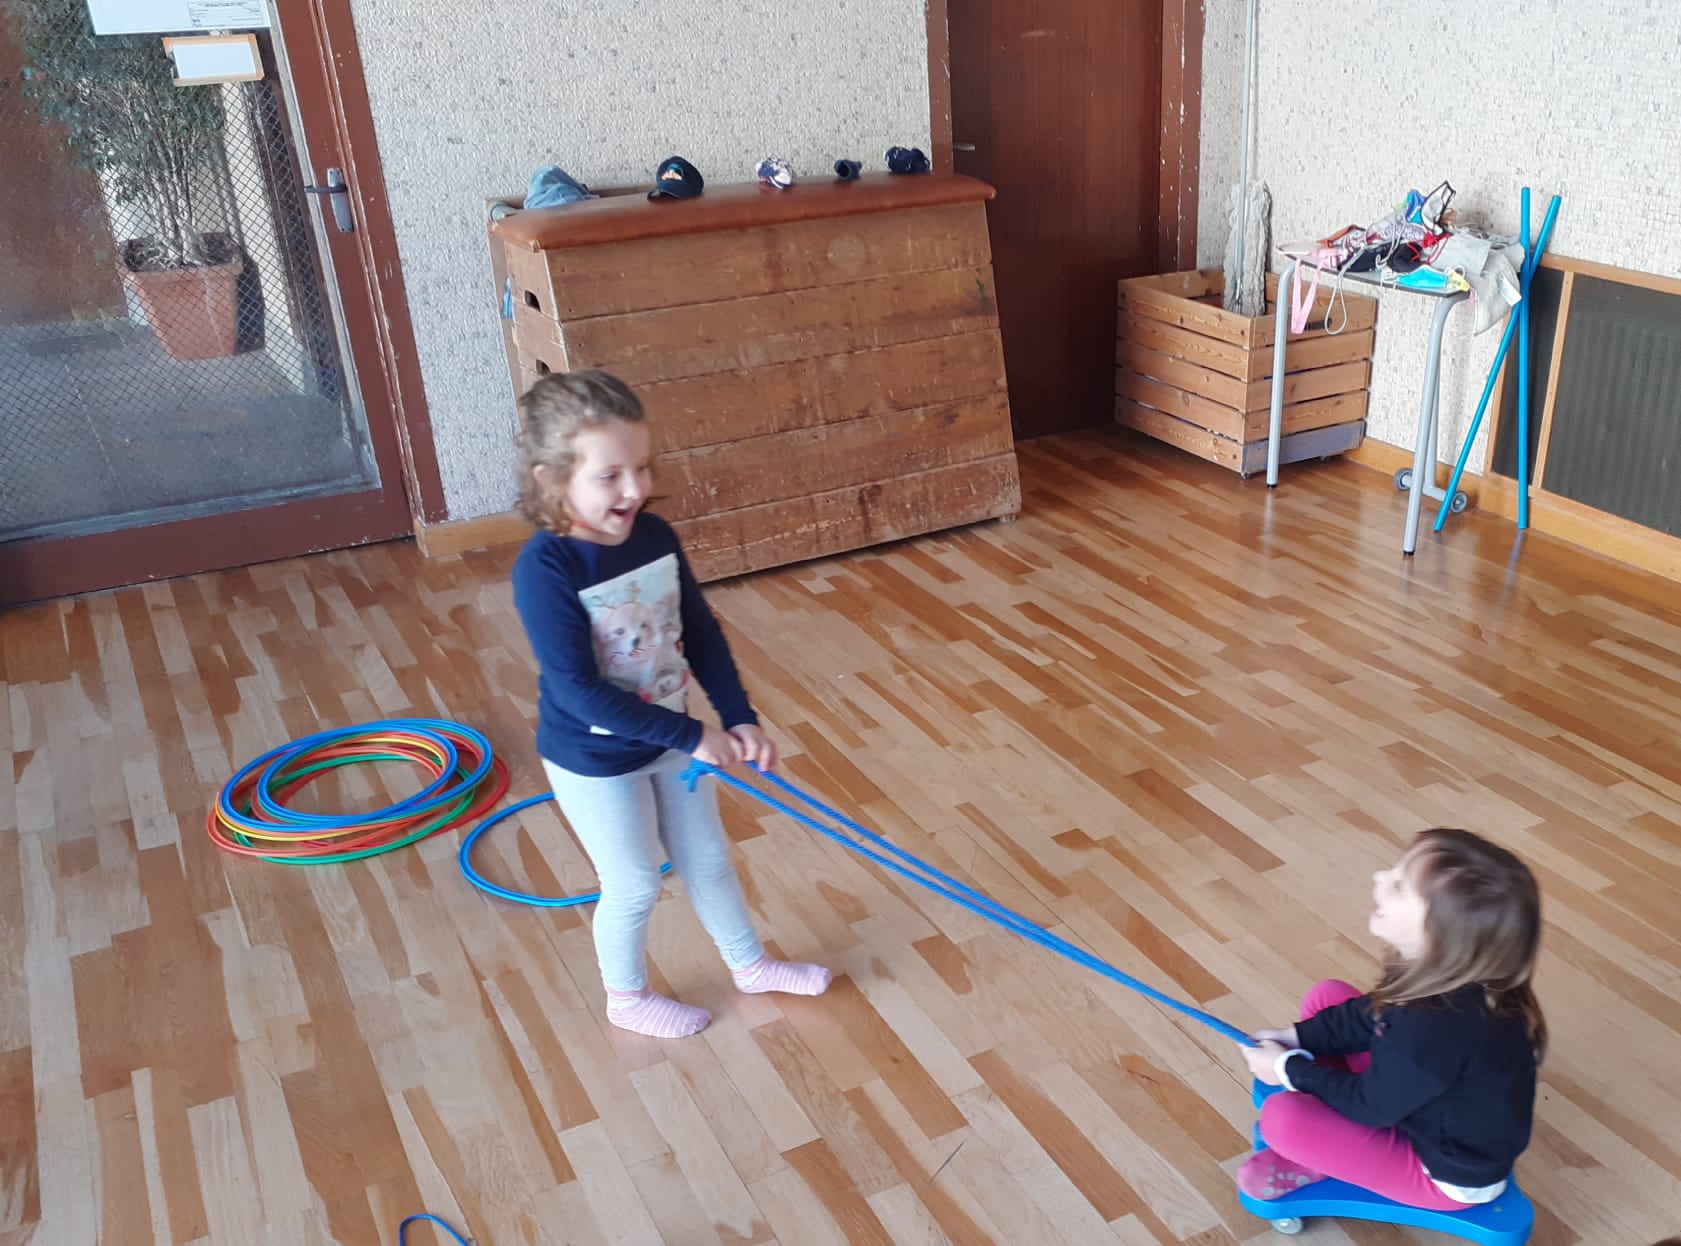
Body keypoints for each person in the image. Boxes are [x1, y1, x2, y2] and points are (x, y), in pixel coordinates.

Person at [510, 370, 831, 1038]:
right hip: (595, 759)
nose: (634, 490)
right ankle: (626, 999)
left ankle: (749, 966)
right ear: (552, 479)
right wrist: (690, 735)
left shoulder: (655, 537)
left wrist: (738, 716)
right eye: (609, 476)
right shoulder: (546, 569)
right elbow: (577, 690)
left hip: (670, 740)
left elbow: (701, 633)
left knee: (707, 859)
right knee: (632, 884)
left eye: (642, 468)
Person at [1237, 828, 1545, 1210]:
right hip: (1416, 1102)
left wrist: (1289, 1069)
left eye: (1399, 886)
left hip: (1444, 1174)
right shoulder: (1448, 981)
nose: (1379, 877)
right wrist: (1294, 1037)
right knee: (1327, 996)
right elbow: (1374, 1014)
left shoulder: (1433, 1028)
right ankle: (1336, 1143)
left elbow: (1372, 1106)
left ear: (1440, 936)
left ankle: (1325, 1160)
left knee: (1283, 1119)